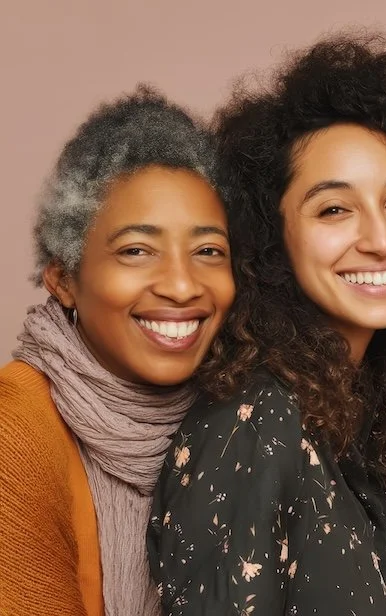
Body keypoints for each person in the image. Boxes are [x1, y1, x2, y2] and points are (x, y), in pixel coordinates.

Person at [148, 32, 386, 615]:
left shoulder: (358, 412)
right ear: (272, 240)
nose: (381, 239)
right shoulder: (252, 424)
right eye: (334, 209)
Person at [0, 87, 234, 616]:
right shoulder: (14, 430)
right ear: (62, 280)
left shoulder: (241, 419)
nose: (181, 285)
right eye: (136, 251)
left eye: (208, 251)